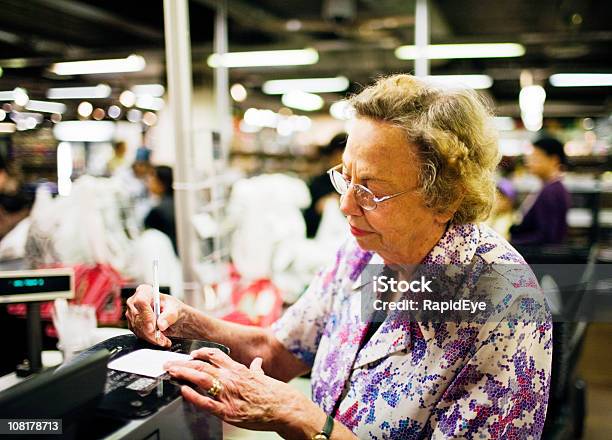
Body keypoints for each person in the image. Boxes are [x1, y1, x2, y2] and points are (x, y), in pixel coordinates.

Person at [127, 75, 551, 439]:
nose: (346, 205)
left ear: (444, 198)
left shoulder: (504, 309)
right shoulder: (365, 252)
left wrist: (301, 417)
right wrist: (185, 320)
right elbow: (276, 350)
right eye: (345, 178)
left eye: (370, 189)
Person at [510, 136, 571, 245]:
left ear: (554, 160)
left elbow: (546, 237)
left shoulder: (551, 191)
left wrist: (511, 243)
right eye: (530, 158)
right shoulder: (551, 188)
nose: (530, 162)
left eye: (536, 157)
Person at [304, 133, 347, 238]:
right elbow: (307, 220)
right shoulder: (318, 183)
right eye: (339, 154)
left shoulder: (355, 183)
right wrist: (318, 208)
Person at [144, 165, 176, 253]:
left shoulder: (158, 211)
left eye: (152, 177)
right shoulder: (178, 204)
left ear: (161, 182)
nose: (148, 181)